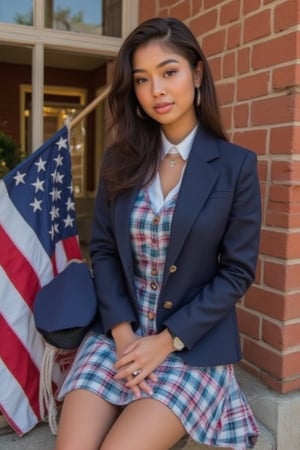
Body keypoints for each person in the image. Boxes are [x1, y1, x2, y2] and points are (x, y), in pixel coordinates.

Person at [55, 16, 261, 450]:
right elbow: (106, 252)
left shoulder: (235, 166)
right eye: (143, 80)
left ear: (197, 73)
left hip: (191, 346)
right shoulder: (120, 160)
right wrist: (124, 334)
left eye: (169, 72)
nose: (157, 91)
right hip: (119, 336)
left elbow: (237, 273)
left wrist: (165, 341)